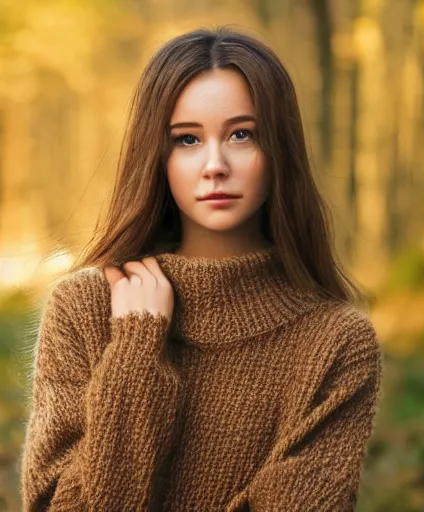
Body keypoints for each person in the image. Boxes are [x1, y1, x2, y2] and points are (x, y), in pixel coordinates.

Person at [19, 27, 382, 511]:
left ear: (279, 150)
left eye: (241, 135)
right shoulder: (84, 309)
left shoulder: (338, 342)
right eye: (187, 139)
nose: (215, 164)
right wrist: (135, 354)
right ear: (158, 155)